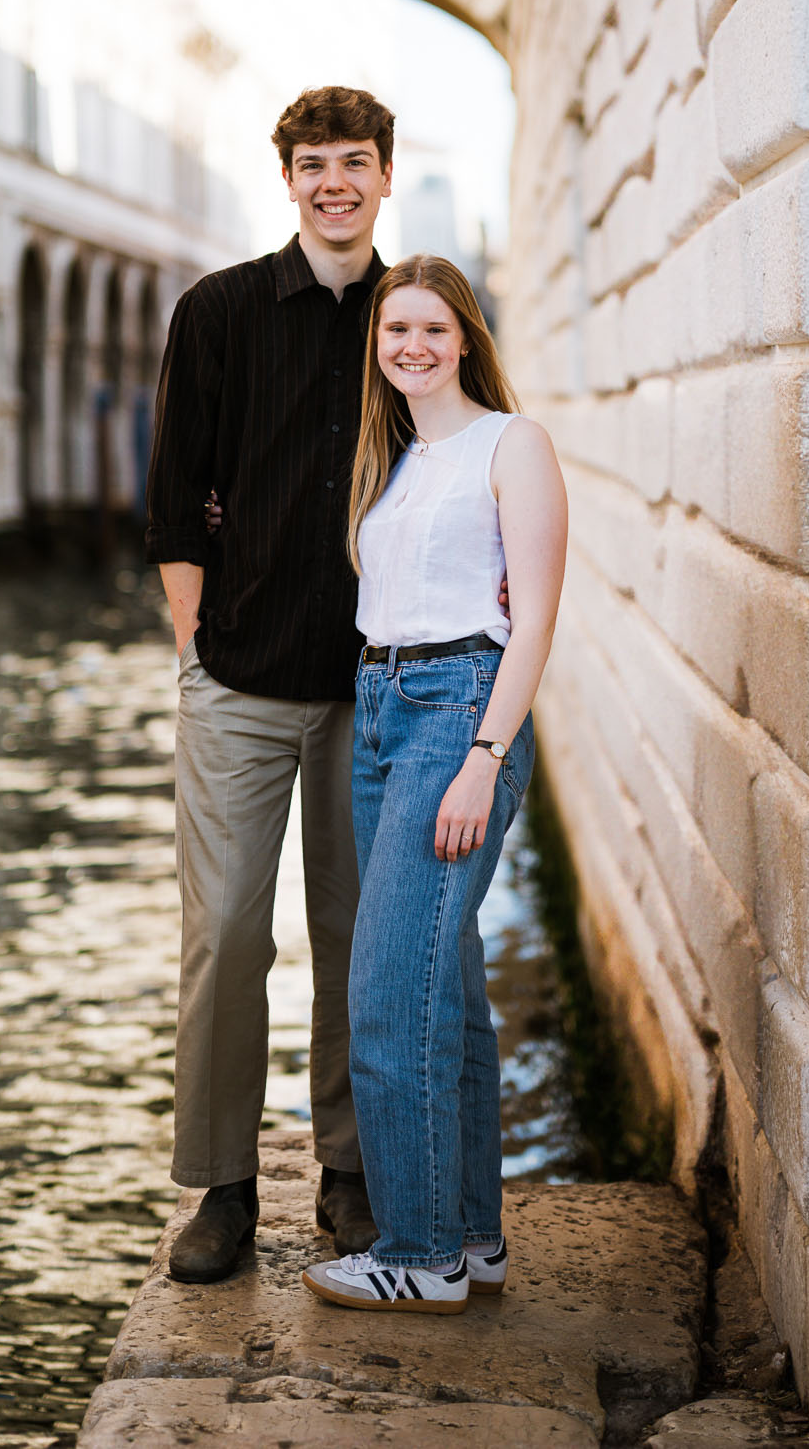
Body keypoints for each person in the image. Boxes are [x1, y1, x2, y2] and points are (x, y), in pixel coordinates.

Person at [144, 84, 395, 1282]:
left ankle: (346, 1171)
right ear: (285, 179)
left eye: (354, 160)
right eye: (312, 162)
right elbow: (171, 493)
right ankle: (225, 1189)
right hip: (237, 680)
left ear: (385, 178)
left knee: (355, 939)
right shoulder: (219, 311)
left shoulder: (413, 318)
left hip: (373, 688)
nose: (333, 180)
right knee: (227, 936)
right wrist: (195, 644)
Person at [302, 254, 567, 1315]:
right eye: (392, 331)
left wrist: (484, 758)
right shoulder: (396, 458)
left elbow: (535, 619)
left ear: (465, 337)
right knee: (442, 987)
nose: (409, 346)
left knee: (384, 990)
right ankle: (471, 1240)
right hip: (379, 709)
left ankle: (417, 1255)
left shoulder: (513, 445)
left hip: (458, 716)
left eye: (430, 329)